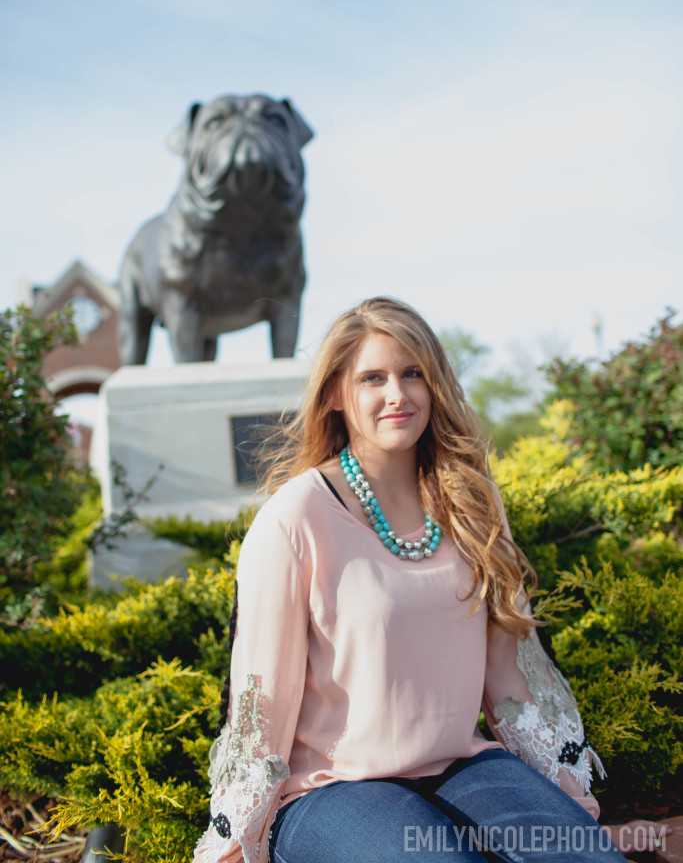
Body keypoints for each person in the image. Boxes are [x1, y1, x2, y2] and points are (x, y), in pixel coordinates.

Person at [193, 297, 658, 863]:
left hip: (464, 765)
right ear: (337, 395)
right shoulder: (295, 519)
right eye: (373, 378)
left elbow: (511, 674)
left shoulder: (472, 502)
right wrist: (238, 841)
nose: (398, 394)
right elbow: (262, 702)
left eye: (413, 373)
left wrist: (565, 803)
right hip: (334, 791)